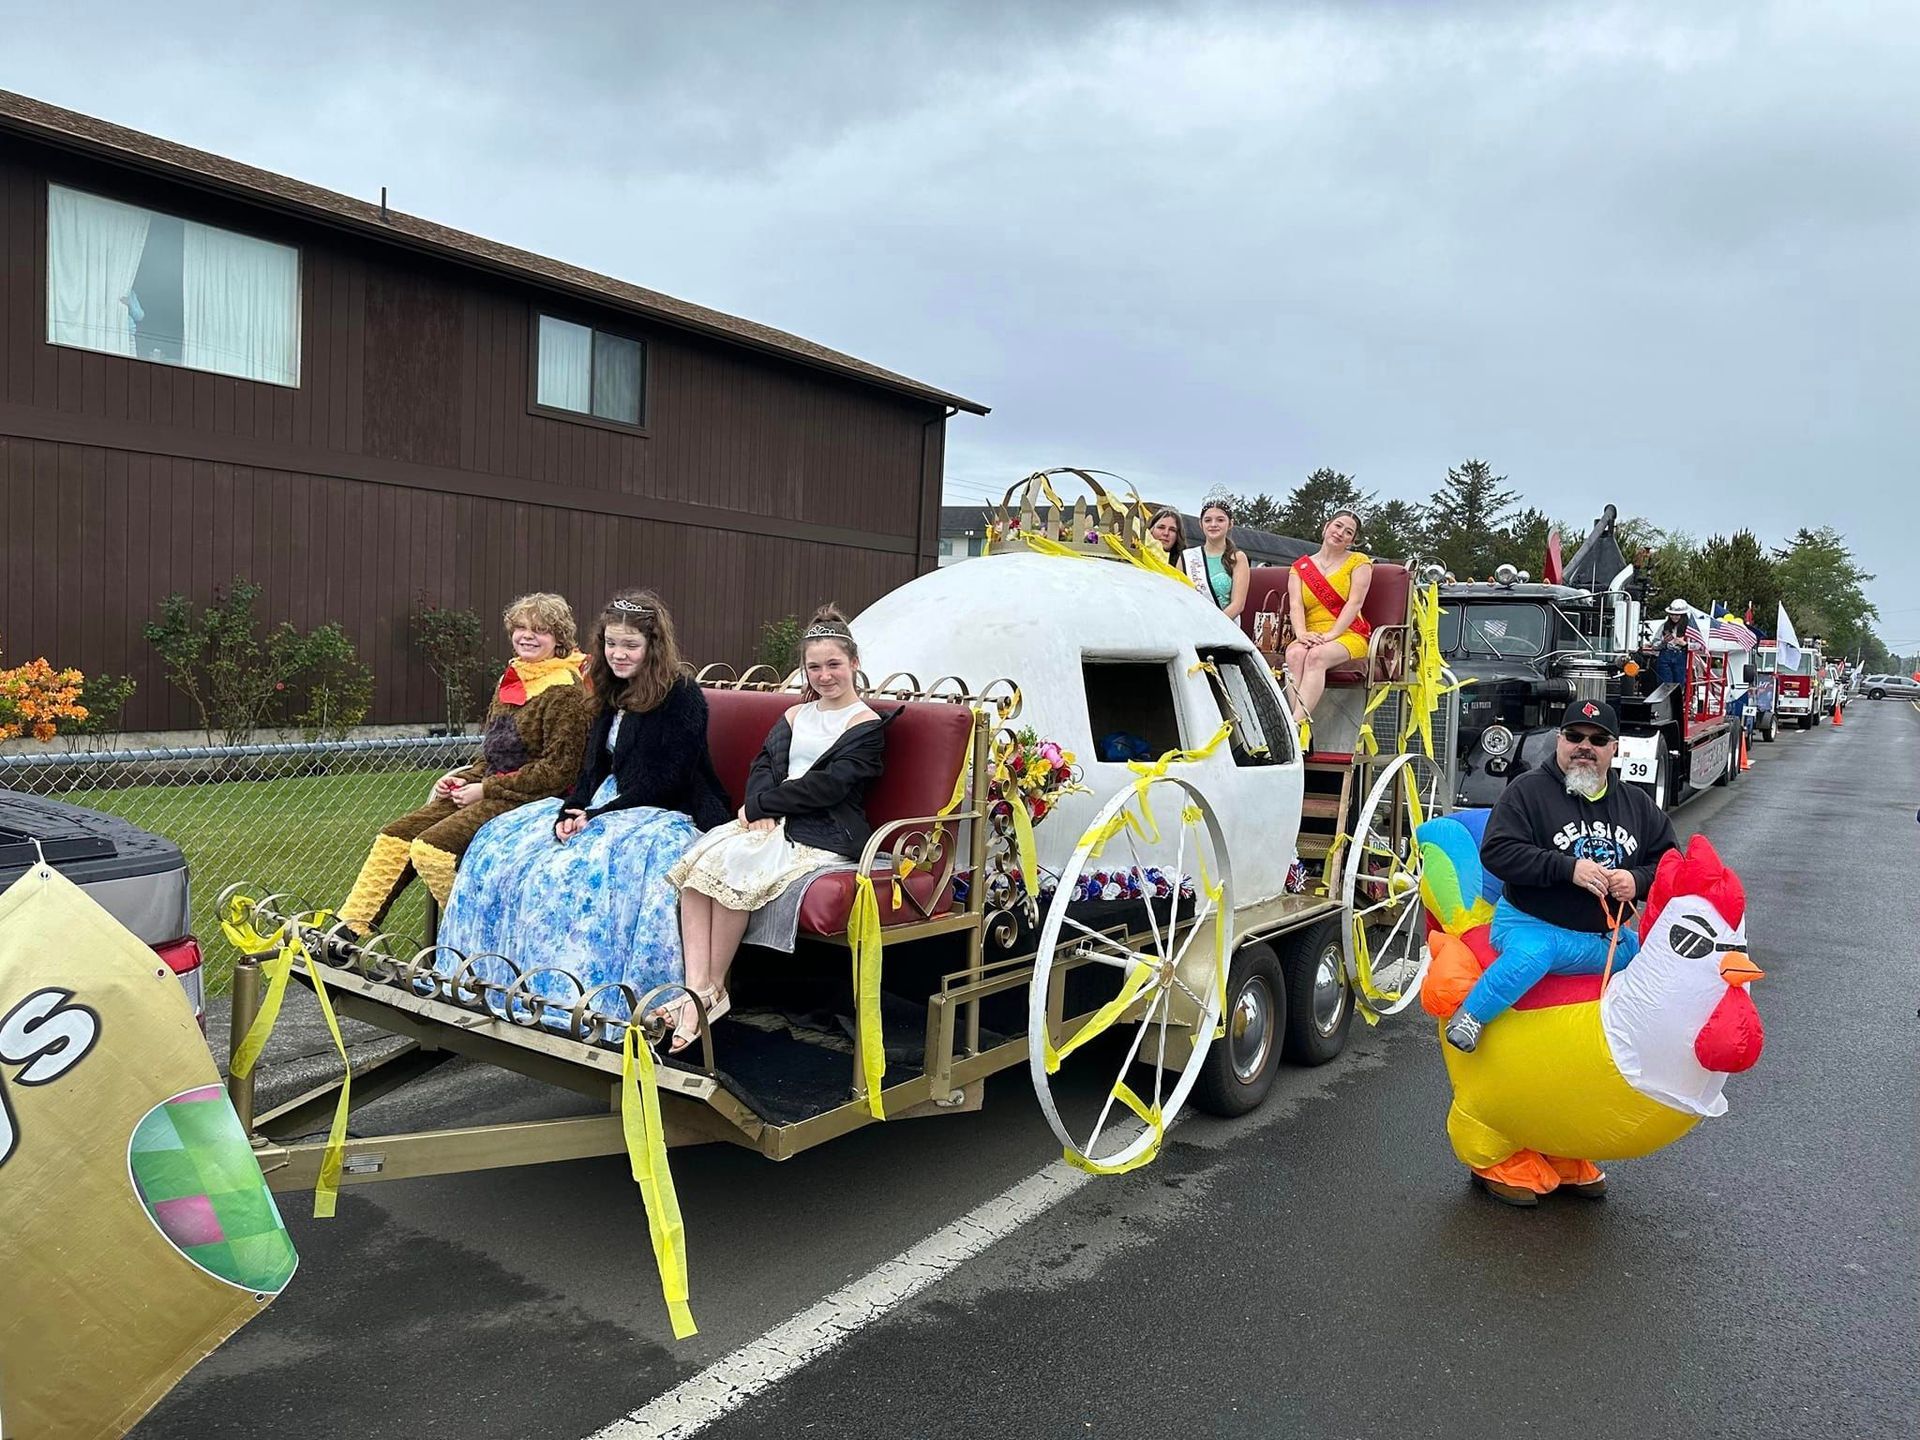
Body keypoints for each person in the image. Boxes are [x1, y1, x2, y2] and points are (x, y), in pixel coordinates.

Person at [434, 591, 729, 1019]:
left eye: (630, 645)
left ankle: (583, 1002)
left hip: (663, 808)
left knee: (578, 871)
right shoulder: (610, 689)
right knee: (502, 844)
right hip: (607, 801)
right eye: (611, 644)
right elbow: (592, 765)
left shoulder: (681, 695)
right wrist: (572, 807)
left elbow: (667, 779)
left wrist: (596, 816)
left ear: (652, 645)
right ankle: (495, 981)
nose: (619, 654)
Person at [664, 605, 890, 1051]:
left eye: (834, 665)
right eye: (814, 667)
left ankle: (704, 996)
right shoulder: (794, 715)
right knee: (696, 870)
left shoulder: (866, 726)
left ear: (854, 664)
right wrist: (757, 803)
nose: (824, 676)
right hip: (773, 818)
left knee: (736, 871)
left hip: (823, 828)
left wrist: (763, 804)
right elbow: (764, 763)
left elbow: (830, 787)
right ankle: (702, 990)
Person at [337, 593, 592, 934]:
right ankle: (349, 932)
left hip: (533, 800)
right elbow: (492, 754)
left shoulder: (565, 690)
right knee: (395, 836)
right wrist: (463, 779)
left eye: (540, 630)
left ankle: (476, 935)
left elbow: (559, 772)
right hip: (490, 788)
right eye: (520, 627)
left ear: (559, 638)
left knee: (433, 850)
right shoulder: (514, 677)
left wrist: (484, 788)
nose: (527, 636)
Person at [1444, 699, 1678, 1053]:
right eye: (1575, 736)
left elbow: (1672, 862)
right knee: (1532, 955)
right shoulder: (1526, 790)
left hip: (1607, 939)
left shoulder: (1638, 804)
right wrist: (1568, 868)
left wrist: (1638, 880)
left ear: (1614, 748)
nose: (1585, 747)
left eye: (1598, 740)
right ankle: (1472, 1015)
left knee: (1660, 966)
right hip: (1531, 924)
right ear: (1559, 740)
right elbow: (1497, 852)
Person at [1283, 508, 1373, 734]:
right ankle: (1300, 728)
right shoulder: (1300, 567)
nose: (1341, 533)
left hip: (1347, 633)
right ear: (1326, 527)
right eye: (1337, 526)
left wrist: (1332, 634)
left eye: (1348, 532)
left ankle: (1292, 726)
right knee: (1294, 654)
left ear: (1352, 540)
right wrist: (1301, 635)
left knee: (1316, 656)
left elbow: (1355, 603)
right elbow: (1296, 605)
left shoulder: (1359, 562)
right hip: (1311, 632)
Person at [1182, 497, 1249, 618]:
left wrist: (1213, 627)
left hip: (1225, 627)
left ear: (1230, 524)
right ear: (1200, 524)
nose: (1213, 524)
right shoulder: (1187, 557)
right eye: (1208, 520)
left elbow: (1238, 605)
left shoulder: (1238, 558)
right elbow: (1180, 597)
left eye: (1220, 520)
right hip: (1191, 625)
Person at [1654, 599, 1692, 687]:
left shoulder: (1690, 628)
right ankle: (1667, 701)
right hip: (1665, 655)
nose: (1674, 617)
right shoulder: (1664, 626)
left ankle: (1676, 700)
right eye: (1672, 614)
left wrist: (1685, 644)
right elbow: (1654, 644)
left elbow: (1698, 646)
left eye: (1677, 615)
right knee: (1664, 685)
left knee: (1679, 685)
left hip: (1681, 657)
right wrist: (1663, 642)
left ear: (1683, 615)